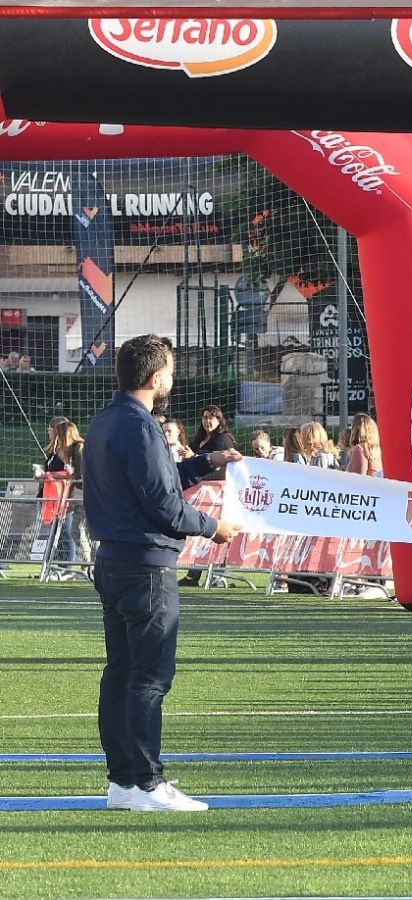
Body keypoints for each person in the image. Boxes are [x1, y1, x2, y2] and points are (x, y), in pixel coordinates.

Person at [83, 334, 242, 812]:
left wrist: (205, 463)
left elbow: (158, 482)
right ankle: (149, 784)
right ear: (156, 378)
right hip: (146, 565)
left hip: (113, 560)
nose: (173, 377)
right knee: (149, 677)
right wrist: (214, 527)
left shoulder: (107, 420)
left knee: (122, 673)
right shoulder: (141, 426)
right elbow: (163, 505)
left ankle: (124, 783)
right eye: (170, 369)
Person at [179, 405, 236, 587]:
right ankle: (192, 576)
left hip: (218, 497)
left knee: (217, 534)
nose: (207, 421)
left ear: (220, 420)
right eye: (204, 417)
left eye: (212, 417)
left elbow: (226, 470)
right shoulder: (199, 440)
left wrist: (195, 457)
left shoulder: (223, 440)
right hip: (200, 498)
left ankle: (218, 576)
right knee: (200, 535)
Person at [46, 420, 92, 568]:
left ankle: (91, 563)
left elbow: (79, 475)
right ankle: (89, 563)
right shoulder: (69, 450)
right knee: (76, 530)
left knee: (85, 530)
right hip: (76, 494)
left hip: (87, 495)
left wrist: (60, 476)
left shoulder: (79, 448)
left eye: (58, 435)